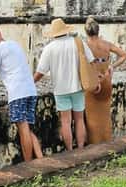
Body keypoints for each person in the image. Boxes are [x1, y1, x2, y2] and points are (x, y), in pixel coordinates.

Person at [0, 26, 43, 161]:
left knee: (23, 129)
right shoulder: (14, 44)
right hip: (30, 90)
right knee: (27, 128)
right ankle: (40, 159)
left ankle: (28, 165)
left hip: (18, 92)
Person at [33, 18, 95, 151]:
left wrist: (30, 83)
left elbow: (40, 72)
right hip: (78, 87)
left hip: (61, 89)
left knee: (66, 122)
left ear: (54, 33)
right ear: (66, 30)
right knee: (79, 119)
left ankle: (70, 151)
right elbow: (91, 61)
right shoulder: (78, 43)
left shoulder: (49, 49)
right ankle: (80, 148)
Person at [82, 16, 126, 144]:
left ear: (86, 31)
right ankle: (107, 141)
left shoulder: (85, 45)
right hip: (106, 80)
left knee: (92, 117)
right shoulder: (106, 44)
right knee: (105, 115)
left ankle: (95, 144)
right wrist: (111, 66)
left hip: (92, 81)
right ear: (98, 30)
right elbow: (125, 55)